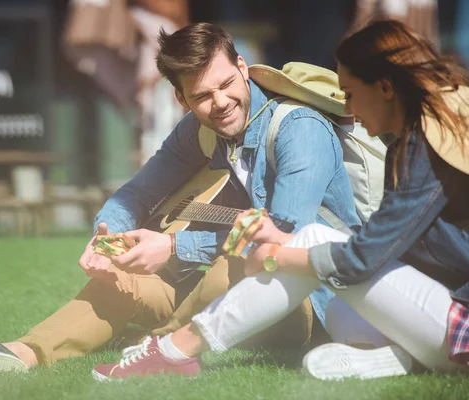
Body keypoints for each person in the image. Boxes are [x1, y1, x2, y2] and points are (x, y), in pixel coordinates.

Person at [0, 23, 360, 373]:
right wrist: (107, 237)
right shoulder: (201, 129)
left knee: (237, 261)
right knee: (119, 279)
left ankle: (157, 351)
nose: (219, 102)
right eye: (202, 95)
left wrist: (175, 246)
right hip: (226, 291)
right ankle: (17, 355)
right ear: (182, 99)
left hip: (313, 302)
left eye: (226, 83)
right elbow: (138, 191)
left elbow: (282, 238)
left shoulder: (299, 128)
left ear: (243, 66)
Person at [92, 19, 469, 382]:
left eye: (350, 94)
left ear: (385, 87)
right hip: (444, 309)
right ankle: (409, 359)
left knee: (310, 243)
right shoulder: (428, 130)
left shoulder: (428, 144)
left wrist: (279, 253)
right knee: (336, 316)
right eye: (202, 95)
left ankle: (176, 351)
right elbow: (383, 247)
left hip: (460, 325)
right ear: (183, 99)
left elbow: (366, 257)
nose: (347, 109)